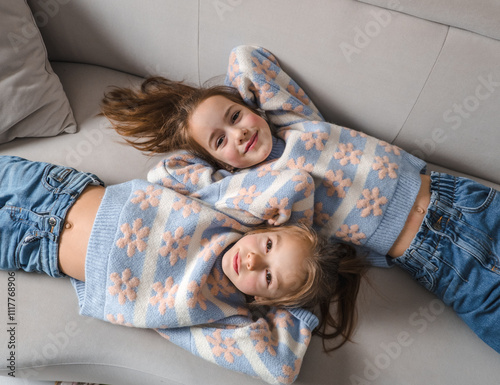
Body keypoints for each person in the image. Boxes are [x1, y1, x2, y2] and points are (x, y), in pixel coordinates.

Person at [101, 45, 500, 355]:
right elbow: (165, 175)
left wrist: (223, 107)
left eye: (236, 116)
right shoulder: (254, 190)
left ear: (251, 105)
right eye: (220, 140)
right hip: (436, 261)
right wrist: (206, 151)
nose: (238, 134)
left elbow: (247, 58)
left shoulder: (296, 121)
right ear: (215, 159)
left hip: (460, 199)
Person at [0, 155, 364, 384]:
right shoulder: (229, 216)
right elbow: (298, 183)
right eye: (268, 245)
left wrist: (292, 304)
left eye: (267, 275)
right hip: (58, 188)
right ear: (268, 228)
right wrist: (291, 235)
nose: (253, 260)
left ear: (264, 298)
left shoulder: (223, 312)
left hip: (33, 247)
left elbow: (281, 368)